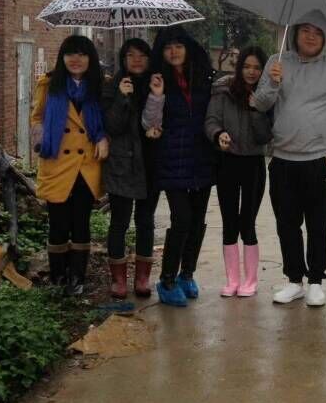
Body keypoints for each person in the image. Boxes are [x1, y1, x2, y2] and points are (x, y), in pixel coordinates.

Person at [253, 10, 326, 307]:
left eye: (318, 32)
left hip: (318, 160)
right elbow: (260, 104)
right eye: (306, 30)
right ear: (295, 32)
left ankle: (316, 282)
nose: (311, 36)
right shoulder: (277, 62)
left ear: (325, 37)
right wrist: (272, 83)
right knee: (287, 223)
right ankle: (294, 280)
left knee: (318, 225)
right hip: (282, 159)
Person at [143, 25, 216, 308]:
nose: (173, 52)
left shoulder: (203, 78)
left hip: (201, 158)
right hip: (171, 160)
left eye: (178, 46)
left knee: (198, 220)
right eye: (167, 47)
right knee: (182, 219)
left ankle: (187, 274)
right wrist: (157, 94)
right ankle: (167, 280)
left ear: (188, 49)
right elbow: (150, 123)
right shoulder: (156, 80)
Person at [32, 34, 109, 296]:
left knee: (81, 223)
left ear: (91, 58)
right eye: (70, 53)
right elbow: (36, 117)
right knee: (58, 224)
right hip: (57, 162)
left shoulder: (100, 85)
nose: (76, 59)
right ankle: (57, 277)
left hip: (87, 165)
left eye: (82, 54)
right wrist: (42, 140)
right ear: (62, 57)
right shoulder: (49, 84)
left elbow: (110, 120)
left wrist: (104, 137)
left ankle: (77, 278)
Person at [204, 46, 273, 298]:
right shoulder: (222, 91)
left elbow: (265, 136)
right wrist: (218, 134)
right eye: (247, 66)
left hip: (253, 164)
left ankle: (250, 281)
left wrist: (256, 109)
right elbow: (211, 120)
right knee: (229, 221)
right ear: (239, 66)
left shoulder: (266, 96)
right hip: (228, 162)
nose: (251, 72)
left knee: (248, 223)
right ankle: (232, 279)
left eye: (257, 68)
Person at [101, 38, 158, 299]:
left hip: (150, 164)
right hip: (121, 165)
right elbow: (112, 126)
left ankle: (143, 278)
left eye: (142, 55)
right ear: (123, 59)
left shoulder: (155, 84)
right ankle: (118, 279)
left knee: (145, 221)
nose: (136, 60)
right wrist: (122, 98)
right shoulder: (112, 87)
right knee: (119, 222)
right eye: (130, 55)